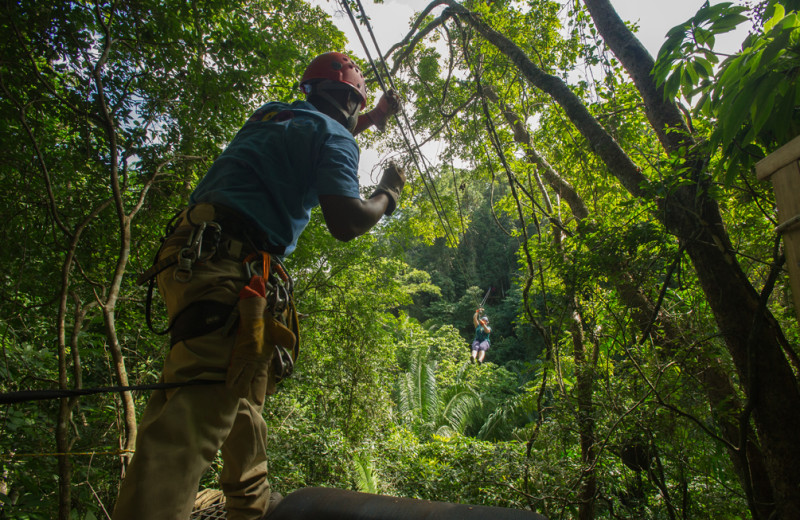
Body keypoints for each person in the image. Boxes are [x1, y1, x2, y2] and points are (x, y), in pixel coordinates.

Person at [112, 51, 405, 520]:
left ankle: (250, 505)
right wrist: (387, 194)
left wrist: (374, 117)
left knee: (237, 382)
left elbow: (326, 128)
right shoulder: (334, 138)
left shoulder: (273, 113)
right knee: (188, 422)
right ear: (350, 101)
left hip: (190, 256)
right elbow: (347, 221)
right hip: (230, 265)